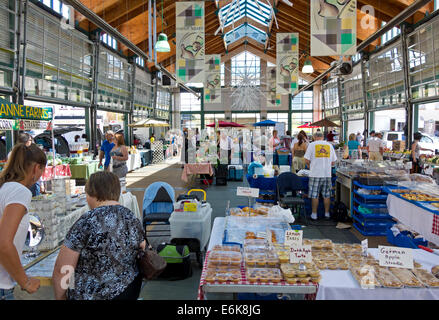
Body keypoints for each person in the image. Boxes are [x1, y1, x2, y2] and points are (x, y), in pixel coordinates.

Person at [52, 171, 145, 300]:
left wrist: (60, 297)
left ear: (92, 194)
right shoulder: (132, 218)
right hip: (128, 292)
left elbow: (63, 268)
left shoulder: (86, 222)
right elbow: (143, 250)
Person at [0, 144, 47, 300]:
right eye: (42, 170)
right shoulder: (20, 191)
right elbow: (3, 242)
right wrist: (25, 281)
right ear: (36, 168)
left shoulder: (5, 188)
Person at [304, 131, 337, 221]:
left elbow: (306, 160)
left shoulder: (312, 145)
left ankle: (314, 214)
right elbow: (333, 162)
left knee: (315, 195)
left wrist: (310, 165)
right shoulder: (329, 145)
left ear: (314, 137)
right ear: (323, 137)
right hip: (327, 174)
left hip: (315, 174)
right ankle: (327, 214)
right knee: (327, 195)